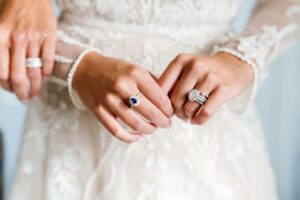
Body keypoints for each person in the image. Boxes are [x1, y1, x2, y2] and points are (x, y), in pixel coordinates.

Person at [1, 0, 299, 199]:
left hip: (211, 136)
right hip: (75, 139)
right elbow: (13, 32)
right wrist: (79, 68)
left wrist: (244, 58)